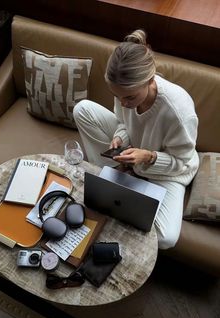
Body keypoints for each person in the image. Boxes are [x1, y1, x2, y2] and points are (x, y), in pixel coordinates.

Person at [73, 29, 199, 249]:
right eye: (117, 96)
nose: (123, 104)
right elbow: (122, 121)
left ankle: (120, 182)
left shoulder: (178, 112)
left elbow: (182, 162)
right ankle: (114, 175)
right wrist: (119, 138)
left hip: (169, 169)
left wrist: (148, 157)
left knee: (166, 237)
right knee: (83, 109)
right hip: (134, 151)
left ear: (151, 80)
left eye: (130, 97)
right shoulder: (125, 95)